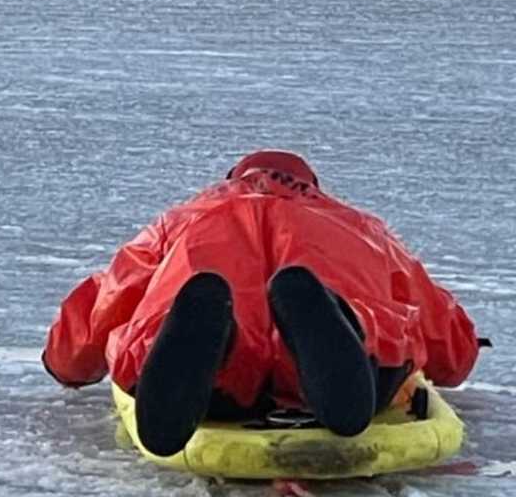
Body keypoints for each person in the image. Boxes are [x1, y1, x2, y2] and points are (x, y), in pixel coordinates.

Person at [42, 150, 482, 457]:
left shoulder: (181, 221)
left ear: (232, 178)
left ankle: (218, 339)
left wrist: (63, 364)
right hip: (337, 362)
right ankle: (346, 327)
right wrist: (459, 354)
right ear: (313, 185)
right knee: (369, 333)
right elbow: (446, 341)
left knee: (185, 342)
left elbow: (105, 304)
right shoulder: (364, 228)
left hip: (226, 382)